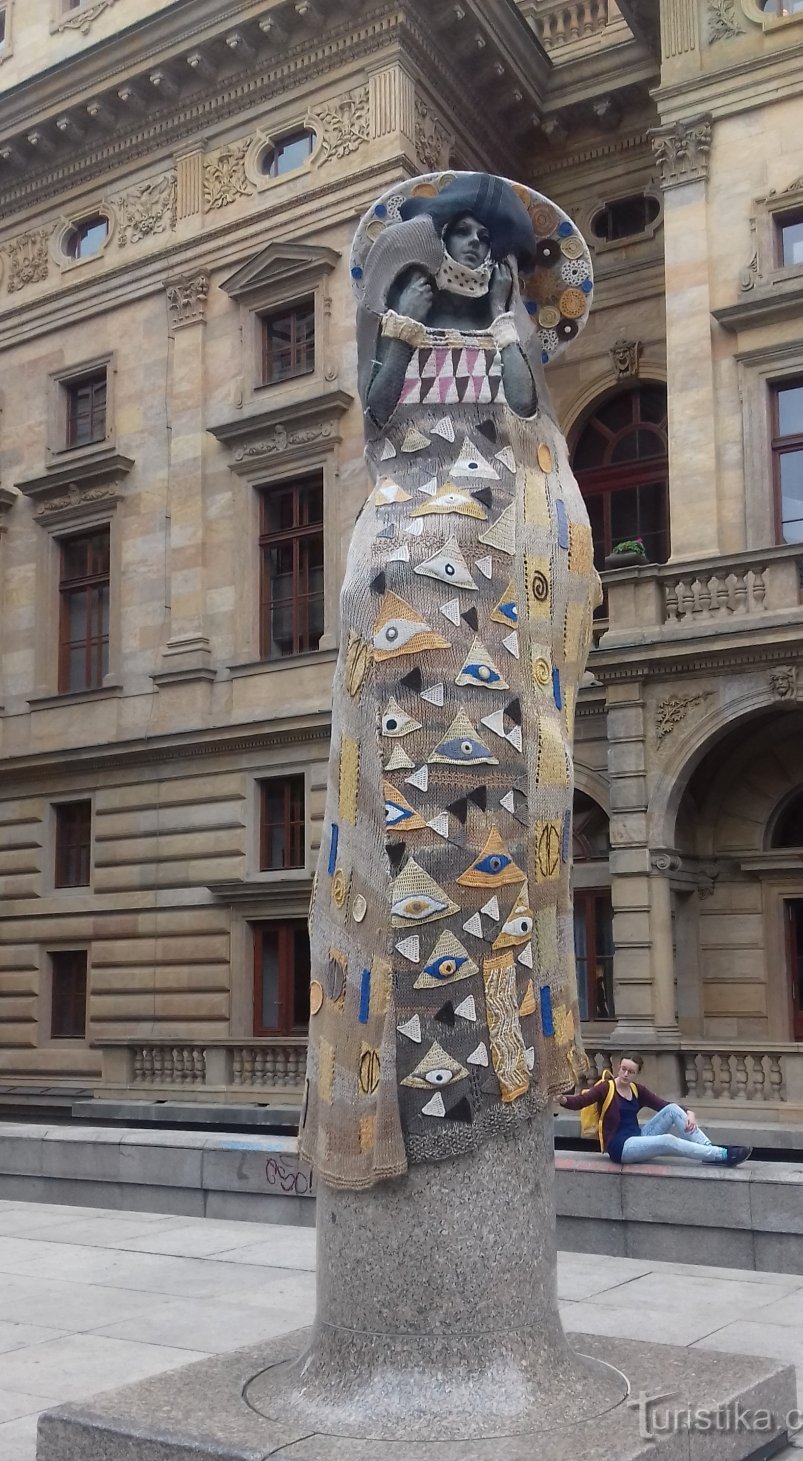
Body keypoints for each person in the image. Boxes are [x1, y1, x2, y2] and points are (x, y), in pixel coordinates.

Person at [300, 172, 602, 1190]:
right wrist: (404, 325)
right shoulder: (412, 317)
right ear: (437, 248)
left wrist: (509, 329)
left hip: (486, 576)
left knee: (487, 813)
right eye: (460, 233)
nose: (473, 250)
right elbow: (379, 408)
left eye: (489, 241)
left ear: (508, 264)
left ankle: (491, 1030)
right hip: (404, 553)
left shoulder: (508, 338)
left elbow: (523, 413)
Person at [559, 1056, 752, 1167]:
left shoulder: (636, 1090)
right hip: (621, 1148)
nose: (626, 1074)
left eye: (631, 1072)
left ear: (636, 1074)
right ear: (618, 1067)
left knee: (672, 1110)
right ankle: (721, 1155)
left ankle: (709, 1149)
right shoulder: (606, 1088)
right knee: (668, 1140)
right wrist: (562, 1099)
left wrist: (689, 1112)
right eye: (624, 1069)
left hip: (639, 1137)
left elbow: (664, 1105)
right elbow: (581, 1101)